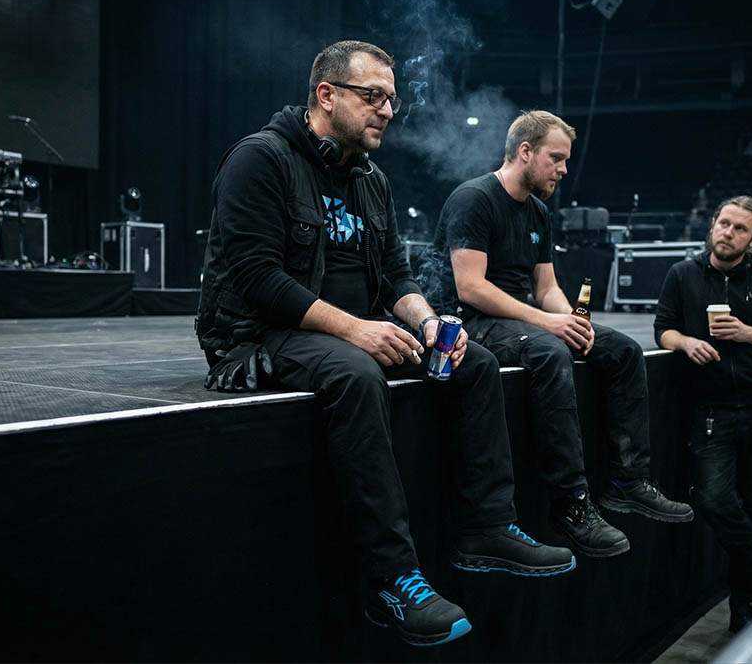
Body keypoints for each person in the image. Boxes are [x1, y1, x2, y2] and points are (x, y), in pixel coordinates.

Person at [195, 41, 573, 648]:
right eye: (373, 97)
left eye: (392, 100)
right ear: (327, 95)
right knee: (357, 373)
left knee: (470, 360)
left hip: (357, 323)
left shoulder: (371, 180)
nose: (387, 111)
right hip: (260, 334)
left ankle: (486, 527)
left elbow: (397, 276)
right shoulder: (259, 160)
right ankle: (391, 577)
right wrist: (354, 328)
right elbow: (257, 279)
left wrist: (426, 322)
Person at [433, 110, 694, 559]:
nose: (564, 169)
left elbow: (547, 289)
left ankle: (628, 481)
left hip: (519, 318)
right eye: (556, 158)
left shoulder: (538, 211)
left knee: (623, 349)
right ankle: (571, 505)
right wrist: (548, 323)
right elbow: (470, 287)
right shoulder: (474, 199)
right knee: (551, 351)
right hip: (468, 320)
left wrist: (574, 319)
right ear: (525, 152)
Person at [654, 194, 752, 632]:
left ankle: (745, 615)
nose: (729, 233)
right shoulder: (682, 274)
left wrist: (748, 333)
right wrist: (684, 342)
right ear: (712, 226)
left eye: (740, 228)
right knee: (715, 501)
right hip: (712, 410)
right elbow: (662, 328)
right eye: (724, 224)